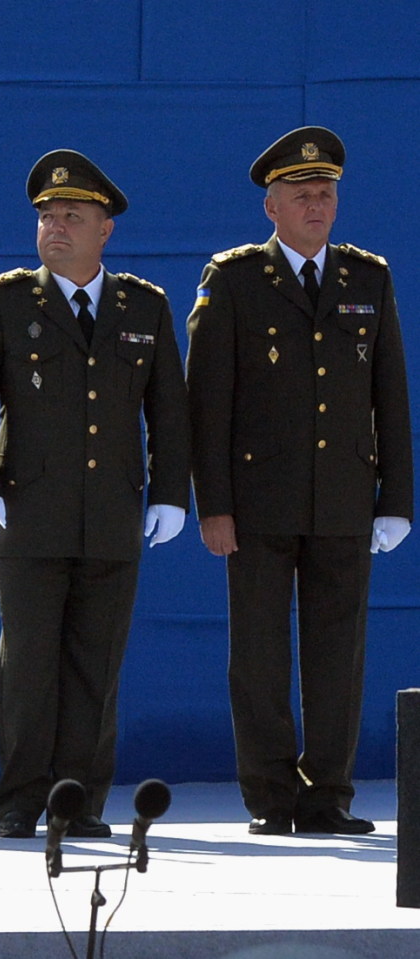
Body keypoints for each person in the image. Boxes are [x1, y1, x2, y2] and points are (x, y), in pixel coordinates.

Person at [0, 150, 190, 839]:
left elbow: (169, 409)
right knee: (27, 665)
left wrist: (171, 491)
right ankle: (22, 799)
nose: (56, 228)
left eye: (72, 217)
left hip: (112, 514)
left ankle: (78, 798)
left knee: (95, 666)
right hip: (27, 512)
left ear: (104, 229)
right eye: (48, 217)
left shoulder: (143, 306)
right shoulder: (3, 300)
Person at [186, 126, 413, 836]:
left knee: (338, 656)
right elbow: (207, 403)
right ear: (272, 207)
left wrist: (396, 500)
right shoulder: (235, 279)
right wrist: (213, 505)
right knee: (258, 655)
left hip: (344, 495)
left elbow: (391, 396)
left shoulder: (367, 278)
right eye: (303, 194)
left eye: (327, 194)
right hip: (258, 502)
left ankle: (329, 795)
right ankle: (272, 794)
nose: (318, 206)